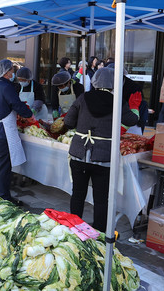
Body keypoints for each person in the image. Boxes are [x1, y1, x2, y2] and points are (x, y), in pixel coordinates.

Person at [64, 67, 139, 232]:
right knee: (101, 198)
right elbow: (132, 120)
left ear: (94, 81)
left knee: (78, 193)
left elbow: (68, 122)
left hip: (79, 153)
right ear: (114, 83)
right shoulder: (118, 101)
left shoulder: (82, 98)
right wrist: (135, 107)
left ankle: (74, 229)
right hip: (103, 157)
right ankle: (98, 232)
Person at [0, 59, 33, 204]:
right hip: (2, 131)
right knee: (3, 165)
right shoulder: (7, 87)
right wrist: (29, 114)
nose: (13, 74)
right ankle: (3, 197)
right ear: (6, 73)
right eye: (12, 71)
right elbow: (15, 104)